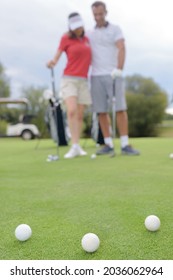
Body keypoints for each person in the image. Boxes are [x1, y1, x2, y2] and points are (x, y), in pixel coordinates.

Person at [88, 1, 140, 155]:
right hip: (96, 75)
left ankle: (124, 144)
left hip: (113, 74)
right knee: (101, 111)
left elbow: (121, 47)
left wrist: (119, 68)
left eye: (100, 14)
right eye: (95, 14)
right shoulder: (90, 33)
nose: (98, 17)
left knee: (120, 109)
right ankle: (108, 143)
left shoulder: (115, 29)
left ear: (105, 12)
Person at [47, 12, 92, 159]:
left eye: (79, 26)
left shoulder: (87, 39)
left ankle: (77, 145)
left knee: (80, 115)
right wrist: (52, 62)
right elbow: (57, 55)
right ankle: (73, 146)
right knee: (71, 111)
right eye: (74, 27)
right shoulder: (65, 38)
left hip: (83, 80)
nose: (77, 29)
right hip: (69, 79)